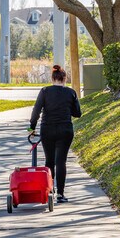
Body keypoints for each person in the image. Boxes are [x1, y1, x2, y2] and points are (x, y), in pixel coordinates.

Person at [29, 65, 82, 203]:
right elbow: (78, 113)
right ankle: (60, 194)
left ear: (52, 78)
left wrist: (31, 128)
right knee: (61, 161)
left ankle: (49, 190)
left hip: (47, 130)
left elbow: (36, 110)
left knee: (49, 161)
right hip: (65, 130)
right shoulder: (71, 92)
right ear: (65, 78)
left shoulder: (45, 91)